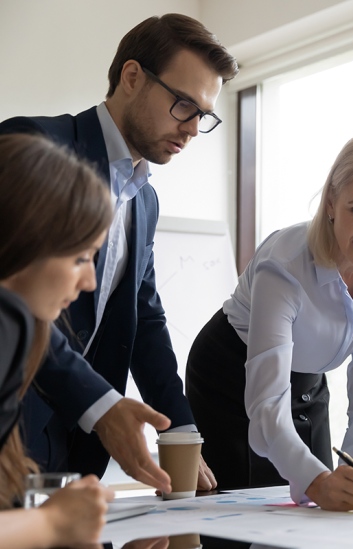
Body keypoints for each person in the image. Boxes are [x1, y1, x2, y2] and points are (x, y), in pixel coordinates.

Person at [0, 13, 239, 493]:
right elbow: (15, 304)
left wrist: (181, 430)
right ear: (132, 77)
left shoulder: (145, 201)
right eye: (183, 105)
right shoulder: (34, 146)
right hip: (14, 420)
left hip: (78, 444)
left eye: (204, 116)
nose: (193, 129)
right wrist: (101, 404)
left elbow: (144, 321)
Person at [186, 132, 353, 510]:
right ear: (331, 203)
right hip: (231, 374)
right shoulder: (285, 265)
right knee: (250, 512)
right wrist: (315, 481)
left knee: (327, 507)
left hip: (307, 380)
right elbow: (266, 402)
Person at [0, 133, 115, 548]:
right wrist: (54, 524)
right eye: (80, 258)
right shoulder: (8, 319)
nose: (89, 282)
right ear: (24, 243)